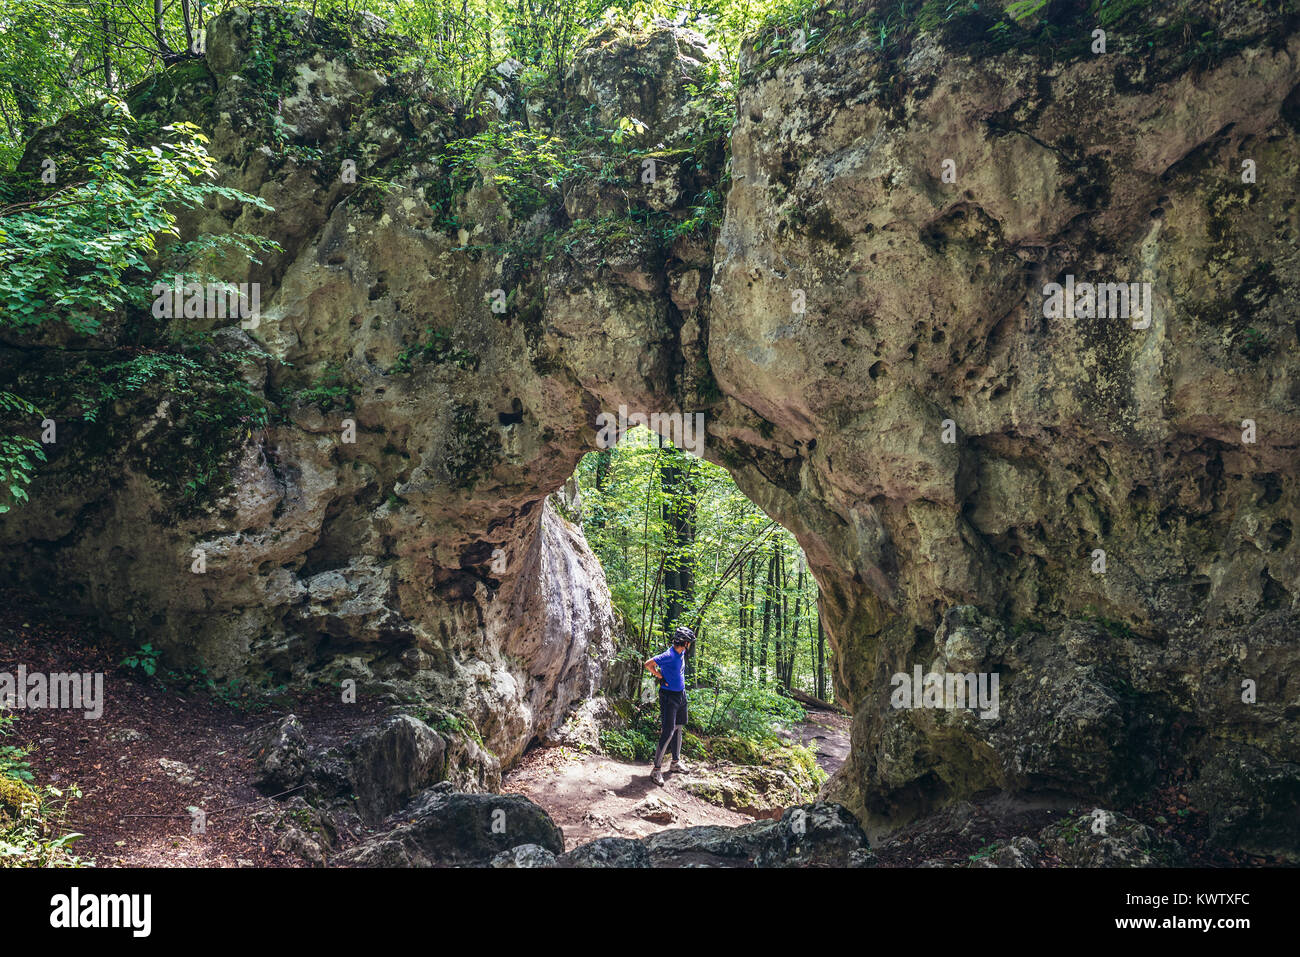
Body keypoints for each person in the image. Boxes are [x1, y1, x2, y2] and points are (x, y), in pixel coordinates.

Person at [644, 625, 695, 786]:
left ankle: (675, 763)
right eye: (689, 642)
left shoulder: (682, 652)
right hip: (669, 697)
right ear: (685, 642)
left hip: (681, 694)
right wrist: (659, 676)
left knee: (679, 727)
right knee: (668, 732)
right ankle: (656, 770)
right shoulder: (669, 655)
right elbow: (648, 664)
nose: (690, 645)